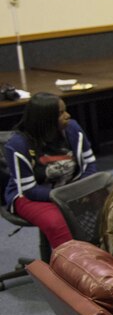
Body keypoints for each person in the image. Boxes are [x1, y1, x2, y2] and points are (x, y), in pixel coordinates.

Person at [3, 92, 97, 249]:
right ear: (45, 119)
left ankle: (105, 255)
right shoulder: (18, 144)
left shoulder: (72, 129)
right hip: (30, 197)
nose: (68, 116)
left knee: (112, 204)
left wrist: (82, 190)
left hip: (71, 189)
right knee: (56, 222)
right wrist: (67, 197)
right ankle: (71, 261)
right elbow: (30, 190)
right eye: (60, 113)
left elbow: (90, 165)